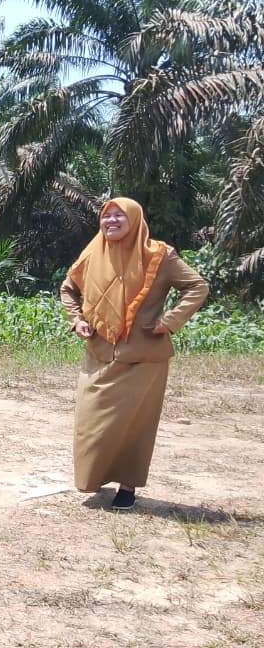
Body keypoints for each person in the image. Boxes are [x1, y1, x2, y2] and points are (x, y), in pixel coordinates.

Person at [60, 197, 208, 510]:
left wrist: (169, 322)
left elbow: (196, 287)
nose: (110, 221)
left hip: (143, 359)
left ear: (135, 220)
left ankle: (127, 488)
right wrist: (77, 320)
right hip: (99, 352)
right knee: (92, 422)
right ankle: (95, 477)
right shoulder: (92, 252)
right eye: (106, 216)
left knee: (134, 427)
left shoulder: (159, 255)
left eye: (118, 216)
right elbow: (68, 289)